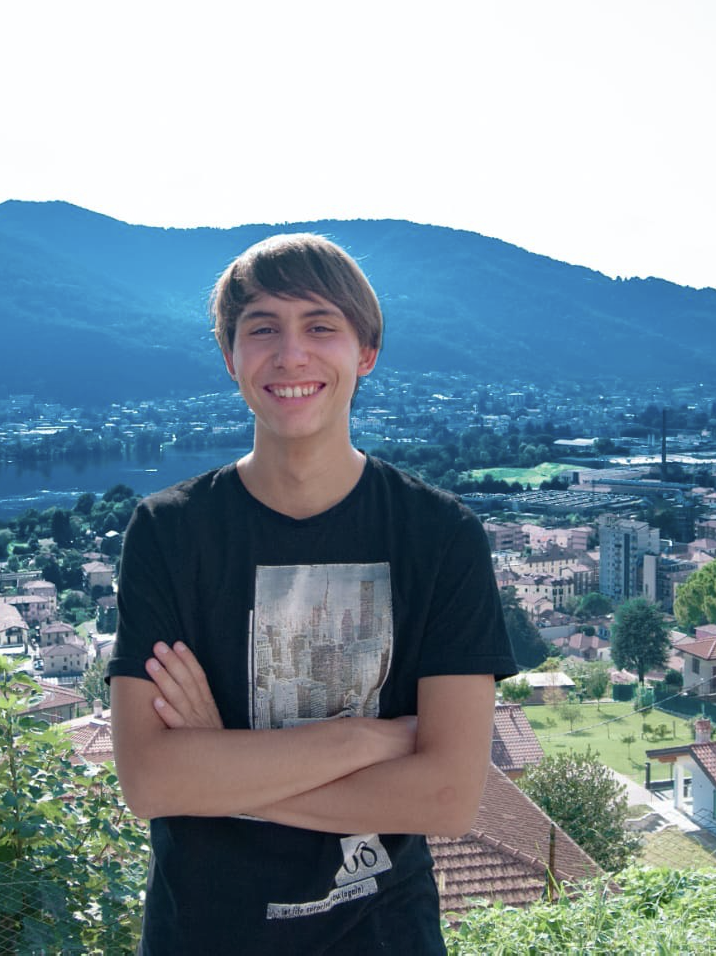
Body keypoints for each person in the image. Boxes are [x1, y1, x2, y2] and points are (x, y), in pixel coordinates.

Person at [109, 232, 517, 954]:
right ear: (230, 355)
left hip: (384, 936)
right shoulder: (169, 533)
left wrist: (219, 763)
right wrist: (369, 739)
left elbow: (448, 797)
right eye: (262, 328)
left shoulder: (439, 535)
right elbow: (150, 781)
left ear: (366, 351)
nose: (291, 354)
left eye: (321, 326)